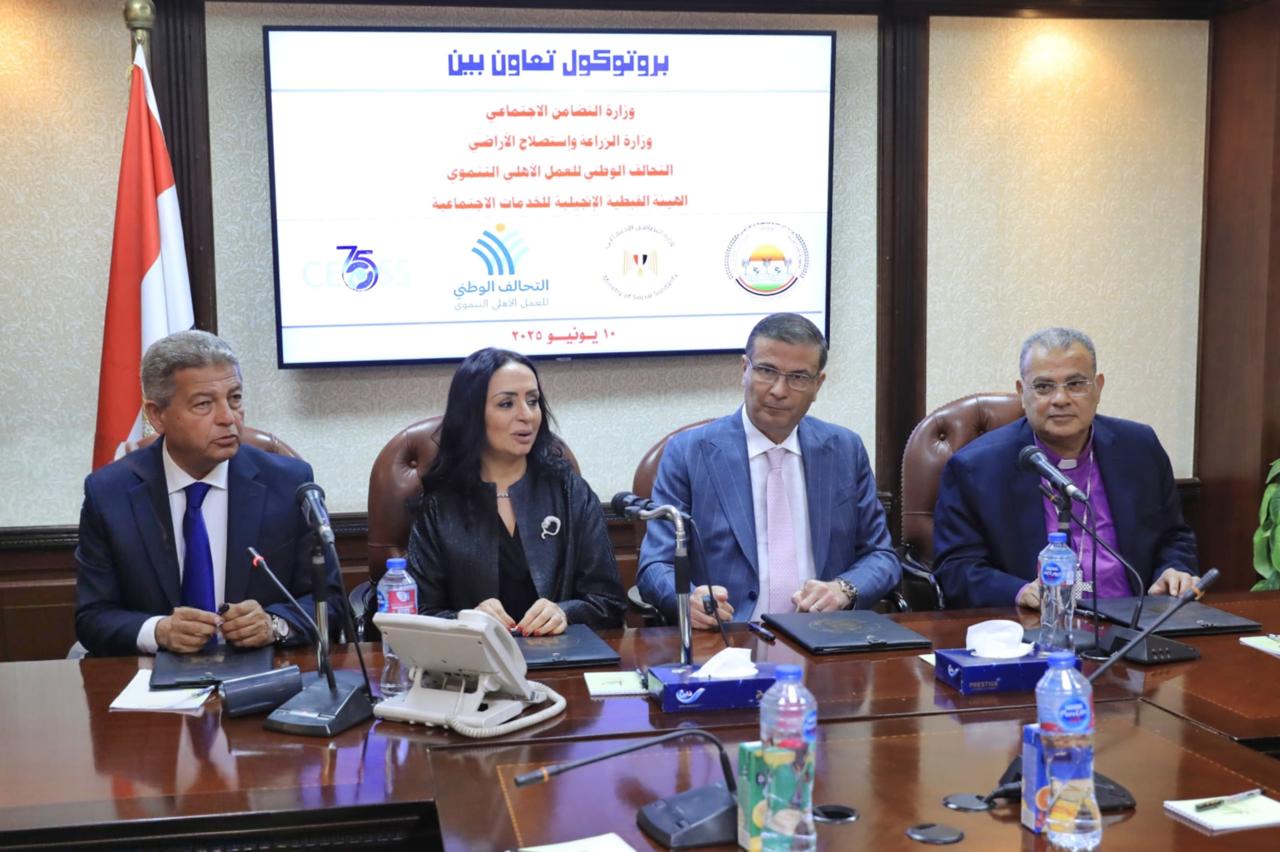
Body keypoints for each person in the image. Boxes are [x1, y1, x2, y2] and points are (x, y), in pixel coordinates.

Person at [75, 330, 343, 656]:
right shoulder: (109, 494)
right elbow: (93, 617)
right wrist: (158, 631)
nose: (228, 418)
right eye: (204, 404)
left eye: (235, 398)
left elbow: (330, 602)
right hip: (154, 676)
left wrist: (273, 624)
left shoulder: (290, 484)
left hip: (261, 671)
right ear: (157, 415)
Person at [636, 313, 901, 628]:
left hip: (825, 634)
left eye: (798, 377)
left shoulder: (845, 450)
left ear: (818, 385)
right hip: (728, 636)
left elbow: (881, 556)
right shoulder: (689, 453)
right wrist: (687, 598)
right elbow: (655, 566)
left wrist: (844, 589)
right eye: (766, 371)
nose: (779, 390)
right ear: (744, 369)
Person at [933, 327, 1199, 610]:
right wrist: (1019, 592)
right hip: (1037, 623)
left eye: (1075, 384)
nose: (1060, 399)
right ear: (1022, 393)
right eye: (1044, 387)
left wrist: (1173, 570)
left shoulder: (1140, 448)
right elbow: (955, 568)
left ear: (1098, 388)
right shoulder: (975, 468)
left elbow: (1174, 536)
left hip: (1137, 619)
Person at [406, 348, 625, 634]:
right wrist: (465, 620)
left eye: (533, 401)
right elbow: (416, 614)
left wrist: (565, 613)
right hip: (475, 658)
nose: (527, 415)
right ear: (472, 414)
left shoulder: (570, 492)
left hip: (560, 653)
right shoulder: (440, 506)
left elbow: (609, 602)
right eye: (506, 404)